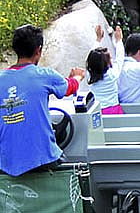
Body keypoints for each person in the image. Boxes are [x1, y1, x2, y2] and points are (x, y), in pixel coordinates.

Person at [0, 24, 85, 176]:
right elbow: (69, 88)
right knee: (72, 171)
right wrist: (77, 76)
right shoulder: (44, 75)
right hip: (43, 159)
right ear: (38, 50)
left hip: (5, 162)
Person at [87, 25, 125, 114]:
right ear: (107, 62)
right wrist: (119, 41)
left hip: (95, 110)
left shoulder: (90, 76)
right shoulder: (112, 74)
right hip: (113, 110)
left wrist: (98, 39)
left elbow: (92, 57)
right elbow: (120, 58)